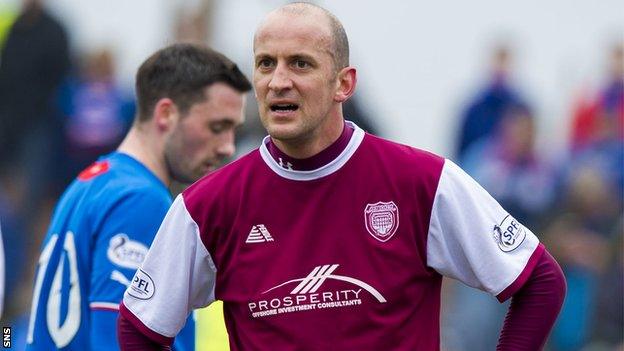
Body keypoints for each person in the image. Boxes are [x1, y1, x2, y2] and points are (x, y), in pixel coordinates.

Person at [118, 3, 566, 350]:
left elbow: (540, 281)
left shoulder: (421, 181)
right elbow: (139, 326)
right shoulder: (208, 205)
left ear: (344, 84)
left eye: (300, 64)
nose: (278, 81)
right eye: (265, 64)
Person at [25, 43, 251, 350]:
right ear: (166, 114)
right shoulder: (140, 201)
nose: (227, 147)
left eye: (233, 130)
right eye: (217, 127)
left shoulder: (92, 181)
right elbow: (120, 342)